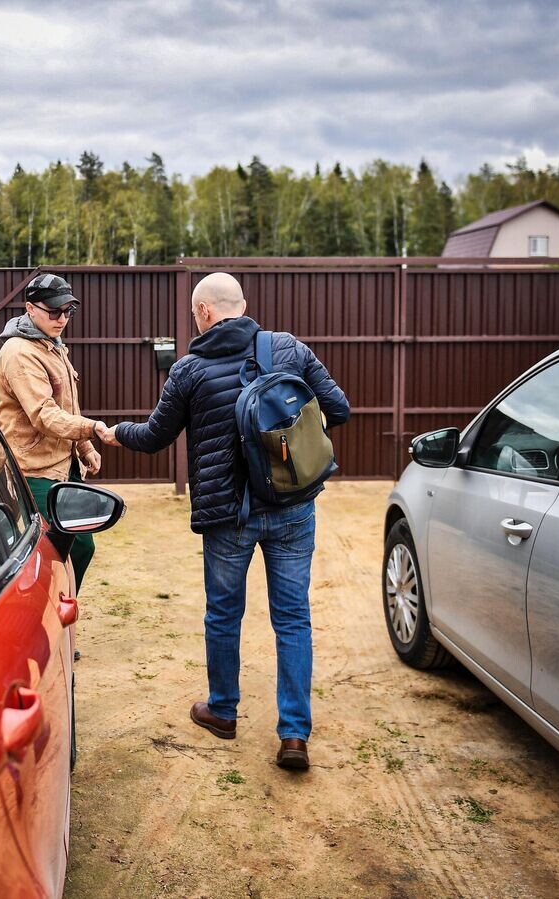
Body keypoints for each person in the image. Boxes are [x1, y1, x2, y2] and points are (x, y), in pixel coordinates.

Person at [96, 272, 349, 769]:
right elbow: (338, 408)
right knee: (293, 618)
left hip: (227, 513)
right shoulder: (289, 349)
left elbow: (153, 437)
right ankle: (294, 735)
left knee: (223, 614)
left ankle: (223, 710)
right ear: (244, 305)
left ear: (205, 312)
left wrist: (113, 433)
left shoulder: (188, 370)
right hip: (293, 507)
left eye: (196, 313)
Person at [0, 273, 104, 588]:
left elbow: (67, 405)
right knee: (62, 547)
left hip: (62, 465)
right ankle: (51, 613)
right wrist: (93, 429)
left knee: (78, 545)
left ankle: (60, 609)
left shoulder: (52, 346)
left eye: (68, 311)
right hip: (33, 469)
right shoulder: (20, 353)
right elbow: (44, 414)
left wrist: (85, 449)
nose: (63, 318)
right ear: (29, 308)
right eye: (54, 311)